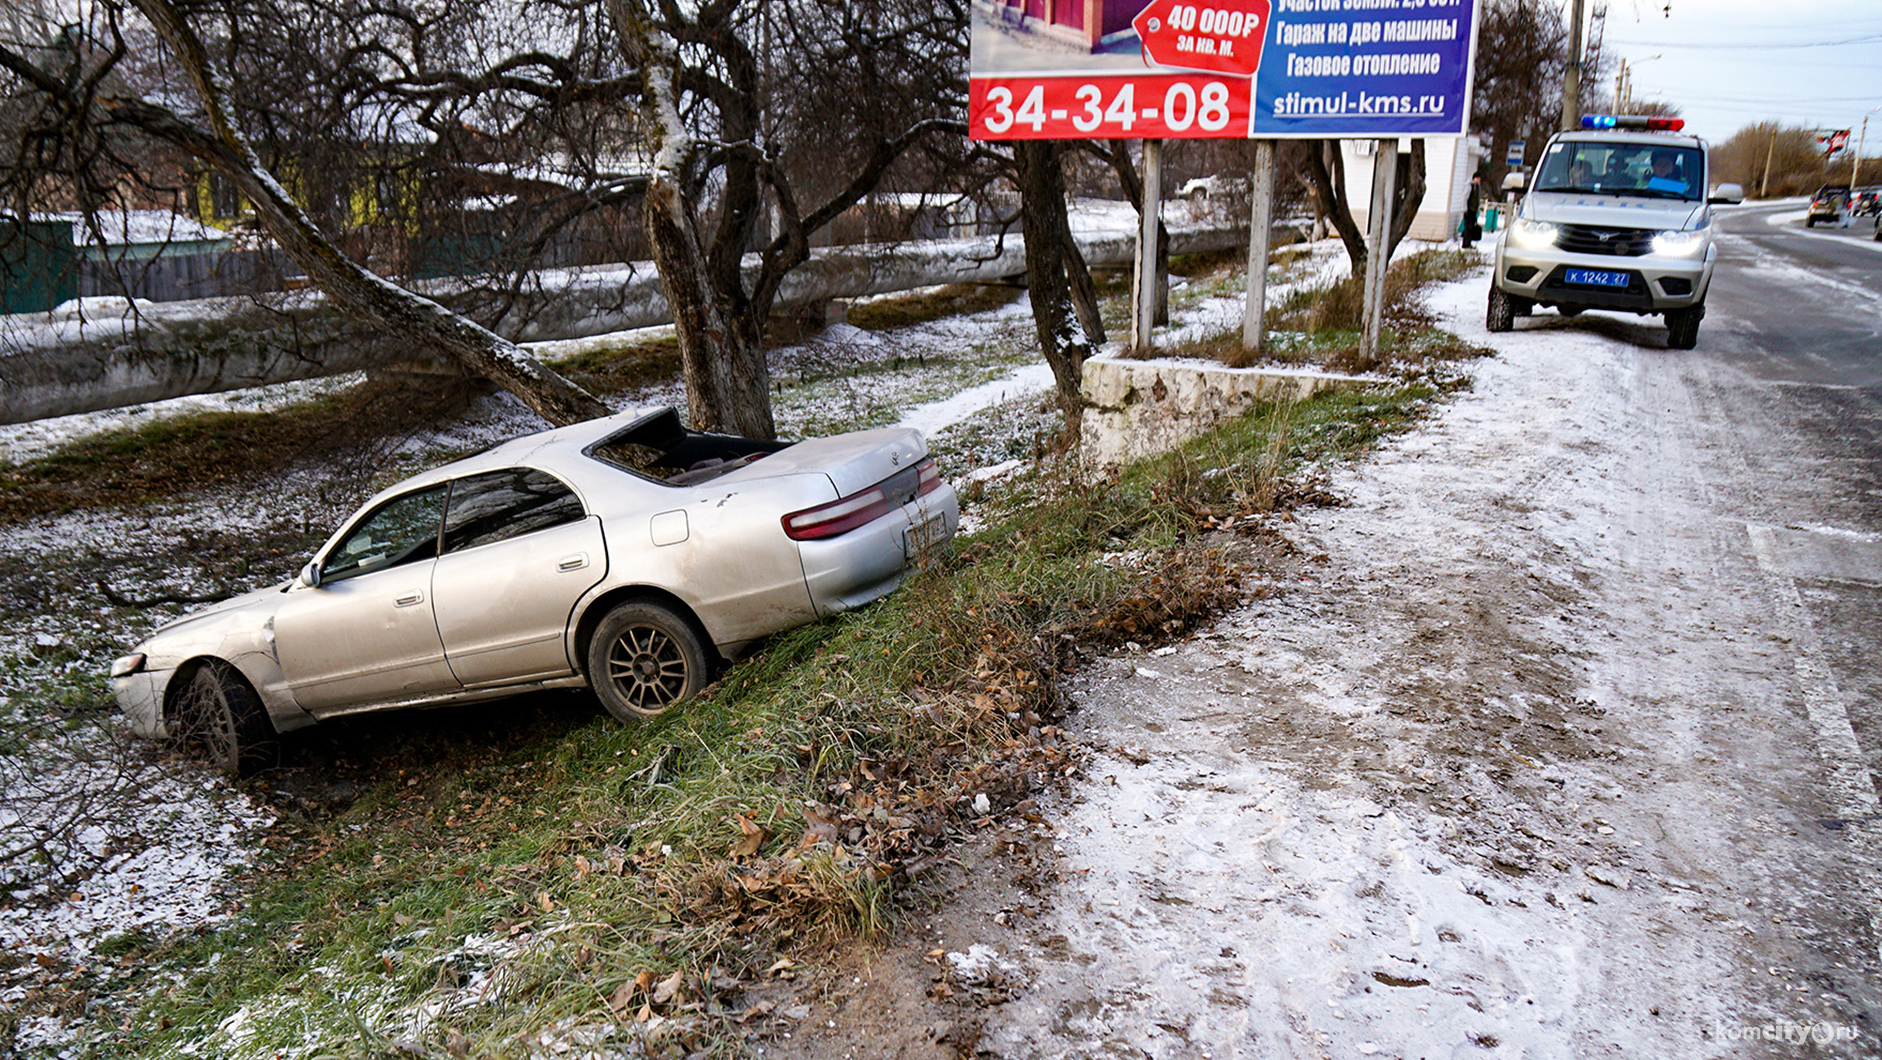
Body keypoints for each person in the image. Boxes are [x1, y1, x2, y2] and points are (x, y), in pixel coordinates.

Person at [1462, 172, 1483, 249]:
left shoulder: (1477, 186)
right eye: (1477, 178)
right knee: (1468, 227)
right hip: (1469, 210)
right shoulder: (1470, 186)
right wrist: (1465, 209)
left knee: (1471, 227)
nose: (1478, 180)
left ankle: (1468, 242)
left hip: (1473, 210)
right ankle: (1466, 243)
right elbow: (1465, 197)